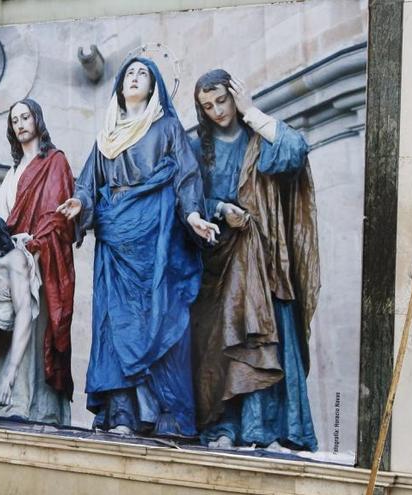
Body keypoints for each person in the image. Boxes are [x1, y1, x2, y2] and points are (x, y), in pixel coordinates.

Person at [56, 57, 218, 437]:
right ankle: (122, 412)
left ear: (154, 87)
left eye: (142, 73)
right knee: (114, 324)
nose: (134, 77)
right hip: (115, 238)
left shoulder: (167, 128)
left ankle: (166, 411)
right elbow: (87, 182)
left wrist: (193, 215)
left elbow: (187, 177)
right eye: (129, 73)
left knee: (161, 318)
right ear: (119, 87)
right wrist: (81, 202)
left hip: (158, 235)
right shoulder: (106, 136)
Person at [190, 69, 319, 452]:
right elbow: (188, 199)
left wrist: (252, 112)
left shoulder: (259, 138)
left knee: (264, 341)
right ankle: (223, 428)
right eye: (207, 106)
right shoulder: (197, 150)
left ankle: (264, 430)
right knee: (220, 347)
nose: (216, 111)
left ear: (234, 95)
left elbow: (295, 150)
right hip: (219, 261)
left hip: (263, 261)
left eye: (222, 100)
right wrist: (219, 208)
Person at [0, 98, 76, 410]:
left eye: (26, 117)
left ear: (37, 119)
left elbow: (57, 215)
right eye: (15, 120)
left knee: (38, 328)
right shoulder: (12, 173)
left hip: (42, 263)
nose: (21, 124)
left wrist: (35, 241)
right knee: (6, 325)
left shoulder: (55, 161)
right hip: (13, 262)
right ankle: (2, 402)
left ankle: (35, 407)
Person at [0, 215, 70, 424]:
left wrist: (10, 373)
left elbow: (24, 312)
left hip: (16, 347)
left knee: (8, 410)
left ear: (1, 232)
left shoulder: (14, 258)